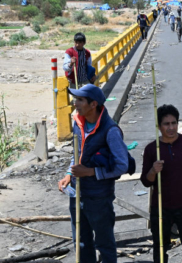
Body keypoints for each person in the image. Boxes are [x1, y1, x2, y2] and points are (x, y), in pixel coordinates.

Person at [57, 84, 129, 263]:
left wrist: (89, 172)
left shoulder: (110, 131)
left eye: (80, 100)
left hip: (99, 198)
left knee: (104, 244)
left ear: (93, 104)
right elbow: (77, 153)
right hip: (77, 194)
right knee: (81, 243)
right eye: (76, 99)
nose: (75, 104)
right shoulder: (78, 123)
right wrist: (68, 174)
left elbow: (122, 166)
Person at [140, 104, 182, 263]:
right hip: (161, 208)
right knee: (160, 248)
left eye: (174, 123)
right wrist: (152, 171)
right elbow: (145, 181)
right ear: (159, 126)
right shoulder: (152, 149)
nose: (171, 127)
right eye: (166, 124)